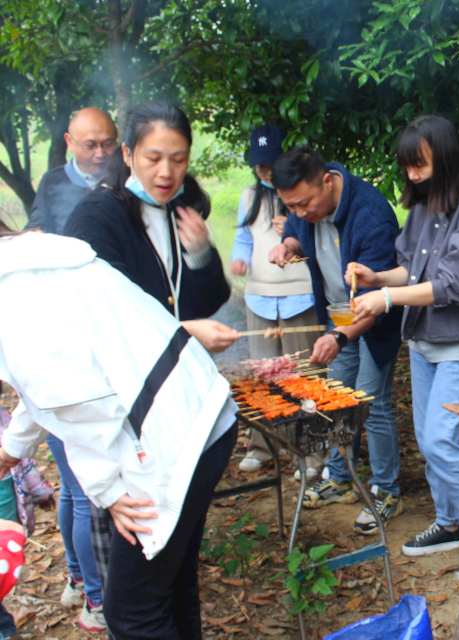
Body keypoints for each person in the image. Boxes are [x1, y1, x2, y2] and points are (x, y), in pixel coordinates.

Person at [0, 226, 238, 640]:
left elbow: (73, 400)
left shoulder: (12, 295)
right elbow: (39, 386)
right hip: (199, 414)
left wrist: (107, 489)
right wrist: (11, 449)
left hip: (168, 436)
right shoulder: (30, 263)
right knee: (167, 587)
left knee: (131, 610)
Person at [62, 101, 239, 623]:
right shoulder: (98, 218)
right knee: (137, 601)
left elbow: (205, 301)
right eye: (154, 157)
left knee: (174, 576)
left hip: (184, 417)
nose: (167, 173)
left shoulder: (183, 208)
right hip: (138, 428)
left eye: (179, 159)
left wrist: (202, 253)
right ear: (127, 153)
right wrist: (184, 333)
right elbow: (99, 329)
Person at [349, 115, 459, 581]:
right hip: (425, 340)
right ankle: (449, 523)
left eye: (419, 164)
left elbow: (454, 285)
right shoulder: (427, 207)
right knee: (429, 440)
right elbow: (410, 270)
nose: (412, 175)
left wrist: (385, 299)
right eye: (407, 166)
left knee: (443, 439)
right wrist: (378, 278)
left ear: (443, 156)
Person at [268, 145, 404, 534]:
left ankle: (386, 490)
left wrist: (339, 338)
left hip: (372, 321)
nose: (299, 213)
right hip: (337, 315)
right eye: (290, 206)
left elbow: (375, 302)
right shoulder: (307, 205)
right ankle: (341, 479)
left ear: (327, 181)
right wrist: (287, 246)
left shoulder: (372, 216)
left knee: (370, 403)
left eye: (304, 203)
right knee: (338, 399)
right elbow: (296, 232)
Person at [230, 125, 322, 477]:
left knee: (304, 375)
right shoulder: (247, 196)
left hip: (300, 297)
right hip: (260, 298)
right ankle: (262, 445)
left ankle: (311, 453)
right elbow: (243, 237)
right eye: (260, 165)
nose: (266, 171)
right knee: (262, 376)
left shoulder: (300, 193)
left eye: (271, 163)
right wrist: (239, 259)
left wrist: (294, 230)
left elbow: (318, 238)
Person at [0, 406, 53, 638]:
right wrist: (41, 493)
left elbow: (24, 462)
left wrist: (41, 492)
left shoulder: (7, 423)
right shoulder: (6, 421)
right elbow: (27, 464)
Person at [26, 108, 118, 234]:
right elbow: (37, 226)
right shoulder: (53, 181)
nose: (100, 153)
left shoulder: (126, 179)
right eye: (89, 146)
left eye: (108, 144)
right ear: (70, 142)